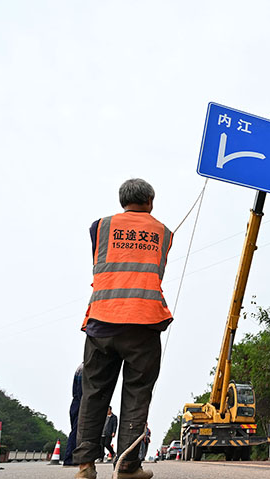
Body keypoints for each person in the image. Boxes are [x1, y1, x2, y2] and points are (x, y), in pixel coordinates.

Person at [73, 178, 174, 479]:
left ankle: (85, 466)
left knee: (93, 394)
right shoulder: (164, 232)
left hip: (102, 320)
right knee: (137, 393)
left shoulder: (99, 227)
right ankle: (128, 467)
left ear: (122, 201)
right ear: (150, 201)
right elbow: (157, 267)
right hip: (143, 322)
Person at [63, 363, 83, 466]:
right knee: (77, 431)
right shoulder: (85, 368)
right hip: (81, 404)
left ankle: (71, 457)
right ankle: (70, 458)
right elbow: (82, 392)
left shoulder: (79, 368)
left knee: (75, 430)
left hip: (75, 403)